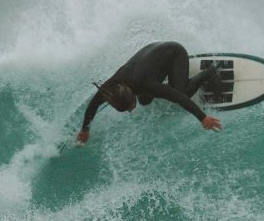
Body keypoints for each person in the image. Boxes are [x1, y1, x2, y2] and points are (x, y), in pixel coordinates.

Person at [76, 41, 222, 144]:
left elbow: (178, 97)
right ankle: (167, 77)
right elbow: (94, 104)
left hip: (175, 52)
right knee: (145, 101)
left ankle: (210, 71)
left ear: (132, 94)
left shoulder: (146, 84)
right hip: (152, 51)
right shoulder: (113, 87)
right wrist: (85, 129)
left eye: (129, 108)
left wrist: (202, 118)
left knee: (182, 91)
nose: (130, 111)